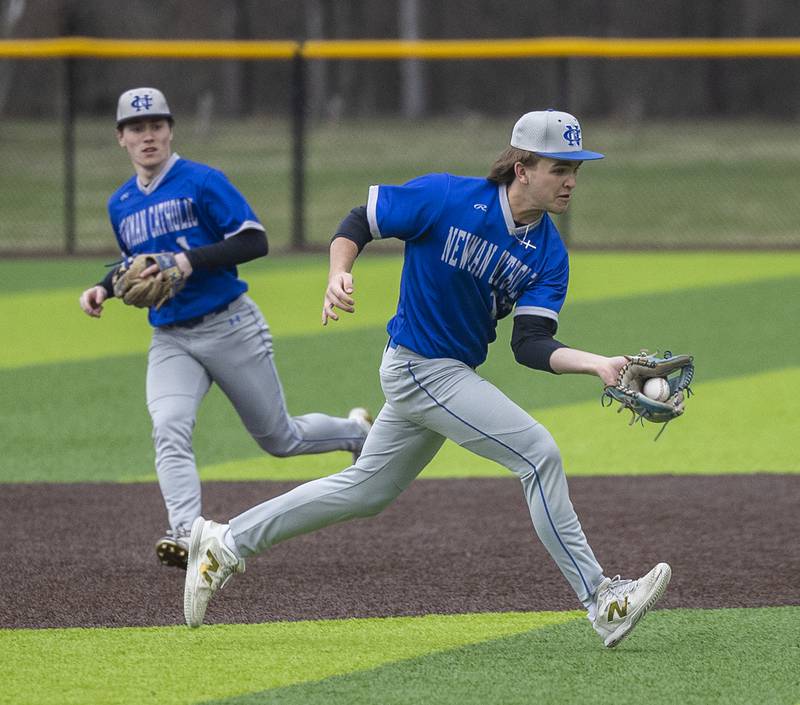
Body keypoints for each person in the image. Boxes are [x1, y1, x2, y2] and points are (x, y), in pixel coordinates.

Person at [181, 109, 672, 648]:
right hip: (418, 366)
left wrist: (599, 364)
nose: (572, 180)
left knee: (367, 489)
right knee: (538, 453)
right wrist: (338, 272)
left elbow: (530, 344)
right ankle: (601, 599)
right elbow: (358, 221)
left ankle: (224, 543)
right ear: (521, 166)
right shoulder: (446, 198)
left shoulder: (550, 254)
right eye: (560, 167)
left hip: (448, 374)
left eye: (576, 168)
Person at [79, 87, 371, 570]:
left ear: (170, 130)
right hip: (171, 337)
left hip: (230, 326)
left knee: (280, 440)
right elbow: (139, 265)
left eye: (156, 125)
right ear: (121, 138)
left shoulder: (202, 182)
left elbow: (255, 240)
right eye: (136, 127)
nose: (147, 135)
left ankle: (356, 432)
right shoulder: (121, 203)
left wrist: (188, 261)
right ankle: (187, 534)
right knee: (169, 425)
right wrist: (103, 288)